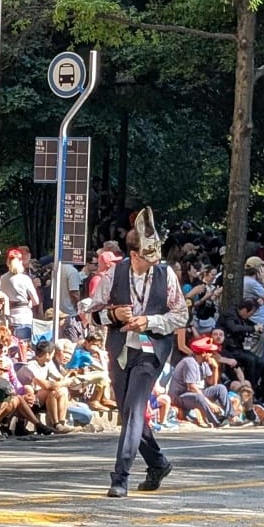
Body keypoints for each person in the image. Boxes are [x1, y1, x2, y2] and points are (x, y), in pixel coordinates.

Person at [90, 207, 188, 497]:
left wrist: (151, 321)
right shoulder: (113, 274)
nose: (155, 261)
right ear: (134, 255)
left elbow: (180, 315)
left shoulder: (165, 274)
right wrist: (115, 316)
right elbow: (93, 312)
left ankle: (120, 477)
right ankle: (157, 463)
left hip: (152, 350)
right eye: (149, 257)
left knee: (134, 410)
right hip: (121, 349)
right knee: (127, 412)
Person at [168, 336, 232, 427]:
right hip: (181, 396)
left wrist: (215, 368)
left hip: (197, 393)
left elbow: (212, 383)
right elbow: (192, 388)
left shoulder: (203, 363)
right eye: (210, 352)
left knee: (220, 388)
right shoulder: (189, 362)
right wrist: (210, 404)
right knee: (199, 397)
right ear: (204, 353)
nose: (212, 354)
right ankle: (216, 421)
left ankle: (231, 416)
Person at [0, 248, 39, 341]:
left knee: (10, 348)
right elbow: (36, 301)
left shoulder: (3, 278)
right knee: (24, 347)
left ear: (8, 262)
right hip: (23, 318)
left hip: (8, 318)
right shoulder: (25, 279)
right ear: (21, 262)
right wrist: (29, 304)